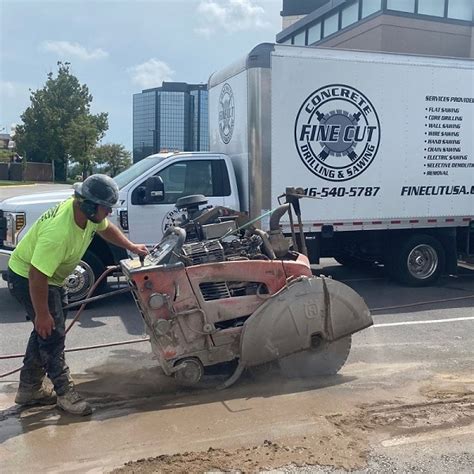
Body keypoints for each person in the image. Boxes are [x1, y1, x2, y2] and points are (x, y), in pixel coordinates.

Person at [8, 174, 148, 416]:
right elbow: (36, 275)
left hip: (52, 277)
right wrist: (41, 313)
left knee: (44, 333)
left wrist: (131, 246)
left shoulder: (89, 213)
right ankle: (65, 394)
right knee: (51, 335)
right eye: (106, 209)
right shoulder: (59, 232)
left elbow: (107, 229)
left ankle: (29, 389)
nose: (108, 214)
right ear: (89, 205)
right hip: (29, 278)